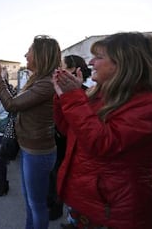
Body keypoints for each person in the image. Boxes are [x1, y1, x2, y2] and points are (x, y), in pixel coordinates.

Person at [53, 32, 152, 229]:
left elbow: (101, 144)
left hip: (116, 210)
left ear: (124, 64)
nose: (91, 62)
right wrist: (63, 98)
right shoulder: (100, 94)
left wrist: (73, 98)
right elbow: (70, 132)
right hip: (89, 201)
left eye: (99, 57)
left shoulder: (150, 105)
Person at [0, 35, 61, 229]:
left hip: (38, 153)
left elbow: (11, 105)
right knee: (30, 204)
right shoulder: (38, 80)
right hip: (29, 149)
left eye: (30, 51)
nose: (26, 55)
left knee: (36, 205)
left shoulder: (46, 84)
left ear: (41, 56)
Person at [47, 54, 92, 221]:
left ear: (73, 69)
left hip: (71, 145)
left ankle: (67, 212)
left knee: (65, 176)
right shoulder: (61, 90)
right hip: (61, 139)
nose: (58, 70)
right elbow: (62, 124)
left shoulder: (87, 93)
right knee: (56, 174)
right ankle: (60, 209)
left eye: (62, 66)